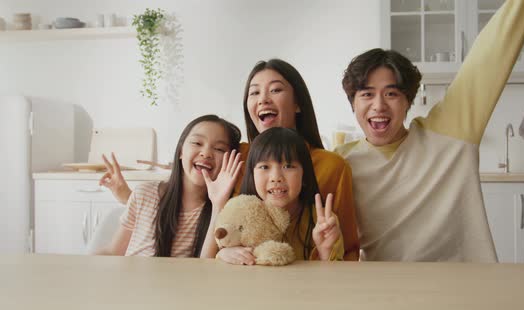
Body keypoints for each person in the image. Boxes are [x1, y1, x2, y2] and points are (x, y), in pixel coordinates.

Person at [335, 0, 524, 262]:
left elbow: (491, 54)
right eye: (366, 94)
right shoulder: (340, 163)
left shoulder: (450, 134)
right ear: (353, 102)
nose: (379, 105)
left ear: (408, 101)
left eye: (391, 93)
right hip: (386, 291)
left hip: (462, 287)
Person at [100, 59, 360, 260]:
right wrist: (129, 196)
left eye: (276, 90)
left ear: (298, 104)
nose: (263, 99)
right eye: (254, 93)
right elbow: (197, 194)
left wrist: (327, 258)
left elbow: (348, 249)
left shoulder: (332, 166)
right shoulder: (238, 156)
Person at [94, 115, 243, 257]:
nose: (206, 153)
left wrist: (218, 206)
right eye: (197, 143)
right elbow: (114, 253)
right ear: (180, 152)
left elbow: (205, 269)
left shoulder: (226, 212)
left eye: (219, 149)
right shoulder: (145, 193)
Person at [216, 127, 344, 265]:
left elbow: (331, 280)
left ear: (304, 176)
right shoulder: (240, 214)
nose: (276, 177)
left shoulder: (323, 222)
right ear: (252, 176)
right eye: (264, 167)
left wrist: (325, 252)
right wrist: (223, 254)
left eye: (288, 166)